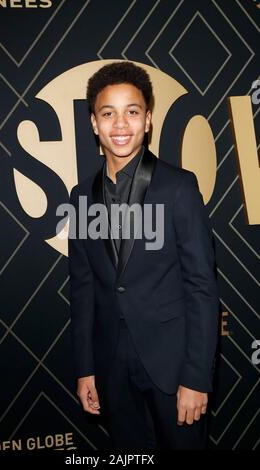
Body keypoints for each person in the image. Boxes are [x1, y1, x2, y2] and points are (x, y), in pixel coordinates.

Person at [68, 61, 219, 450]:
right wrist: (86, 369)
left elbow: (202, 288)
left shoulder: (179, 188)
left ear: (148, 120)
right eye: (108, 113)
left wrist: (197, 377)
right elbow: (84, 290)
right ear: (93, 123)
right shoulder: (81, 198)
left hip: (174, 370)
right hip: (111, 371)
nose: (120, 124)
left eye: (132, 112)